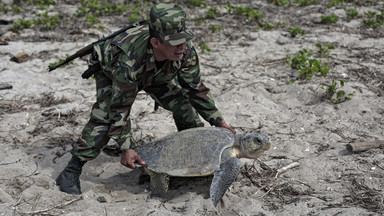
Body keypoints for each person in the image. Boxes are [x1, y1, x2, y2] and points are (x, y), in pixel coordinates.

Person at [56, 3, 236, 195]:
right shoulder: (128, 62)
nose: (182, 46)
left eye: (184, 39)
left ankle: (193, 158)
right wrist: (127, 147)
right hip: (112, 72)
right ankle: (70, 171)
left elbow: (195, 89)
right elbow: (120, 108)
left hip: (155, 71)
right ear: (155, 43)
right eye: (175, 42)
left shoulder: (184, 51)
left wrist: (218, 120)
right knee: (105, 118)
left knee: (183, 103)